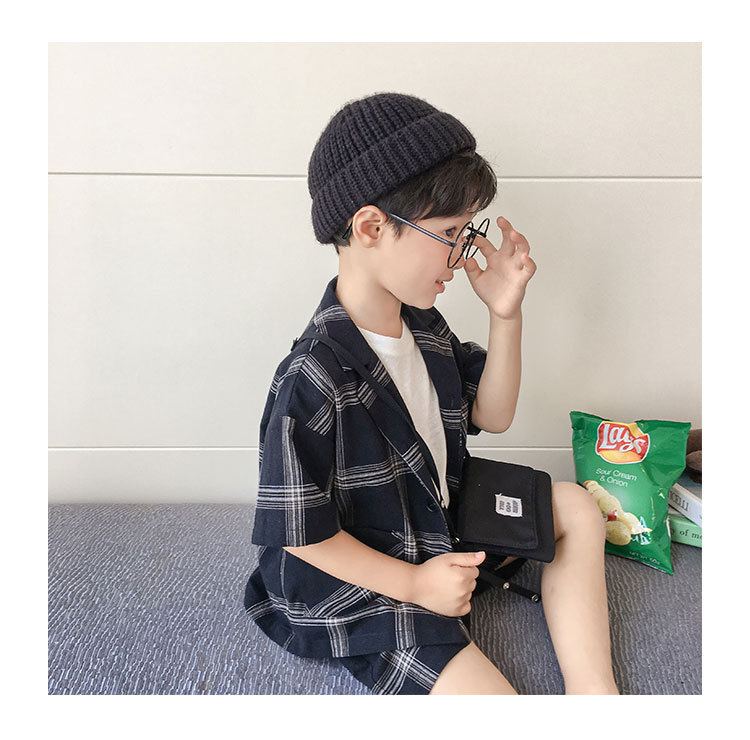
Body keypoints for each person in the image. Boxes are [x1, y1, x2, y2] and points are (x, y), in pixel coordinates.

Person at [244, 92, 619, 695]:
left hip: (437, 525)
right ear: (371, 227)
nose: (462, 253)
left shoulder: (423, 326)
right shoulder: (311, 377)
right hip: (368, 578)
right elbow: (297, 532)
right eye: (449, 232)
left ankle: (595, 696)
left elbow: (492, 414)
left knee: (575, 506)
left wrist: (505, 314)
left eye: (466, 231)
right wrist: (417, 585)